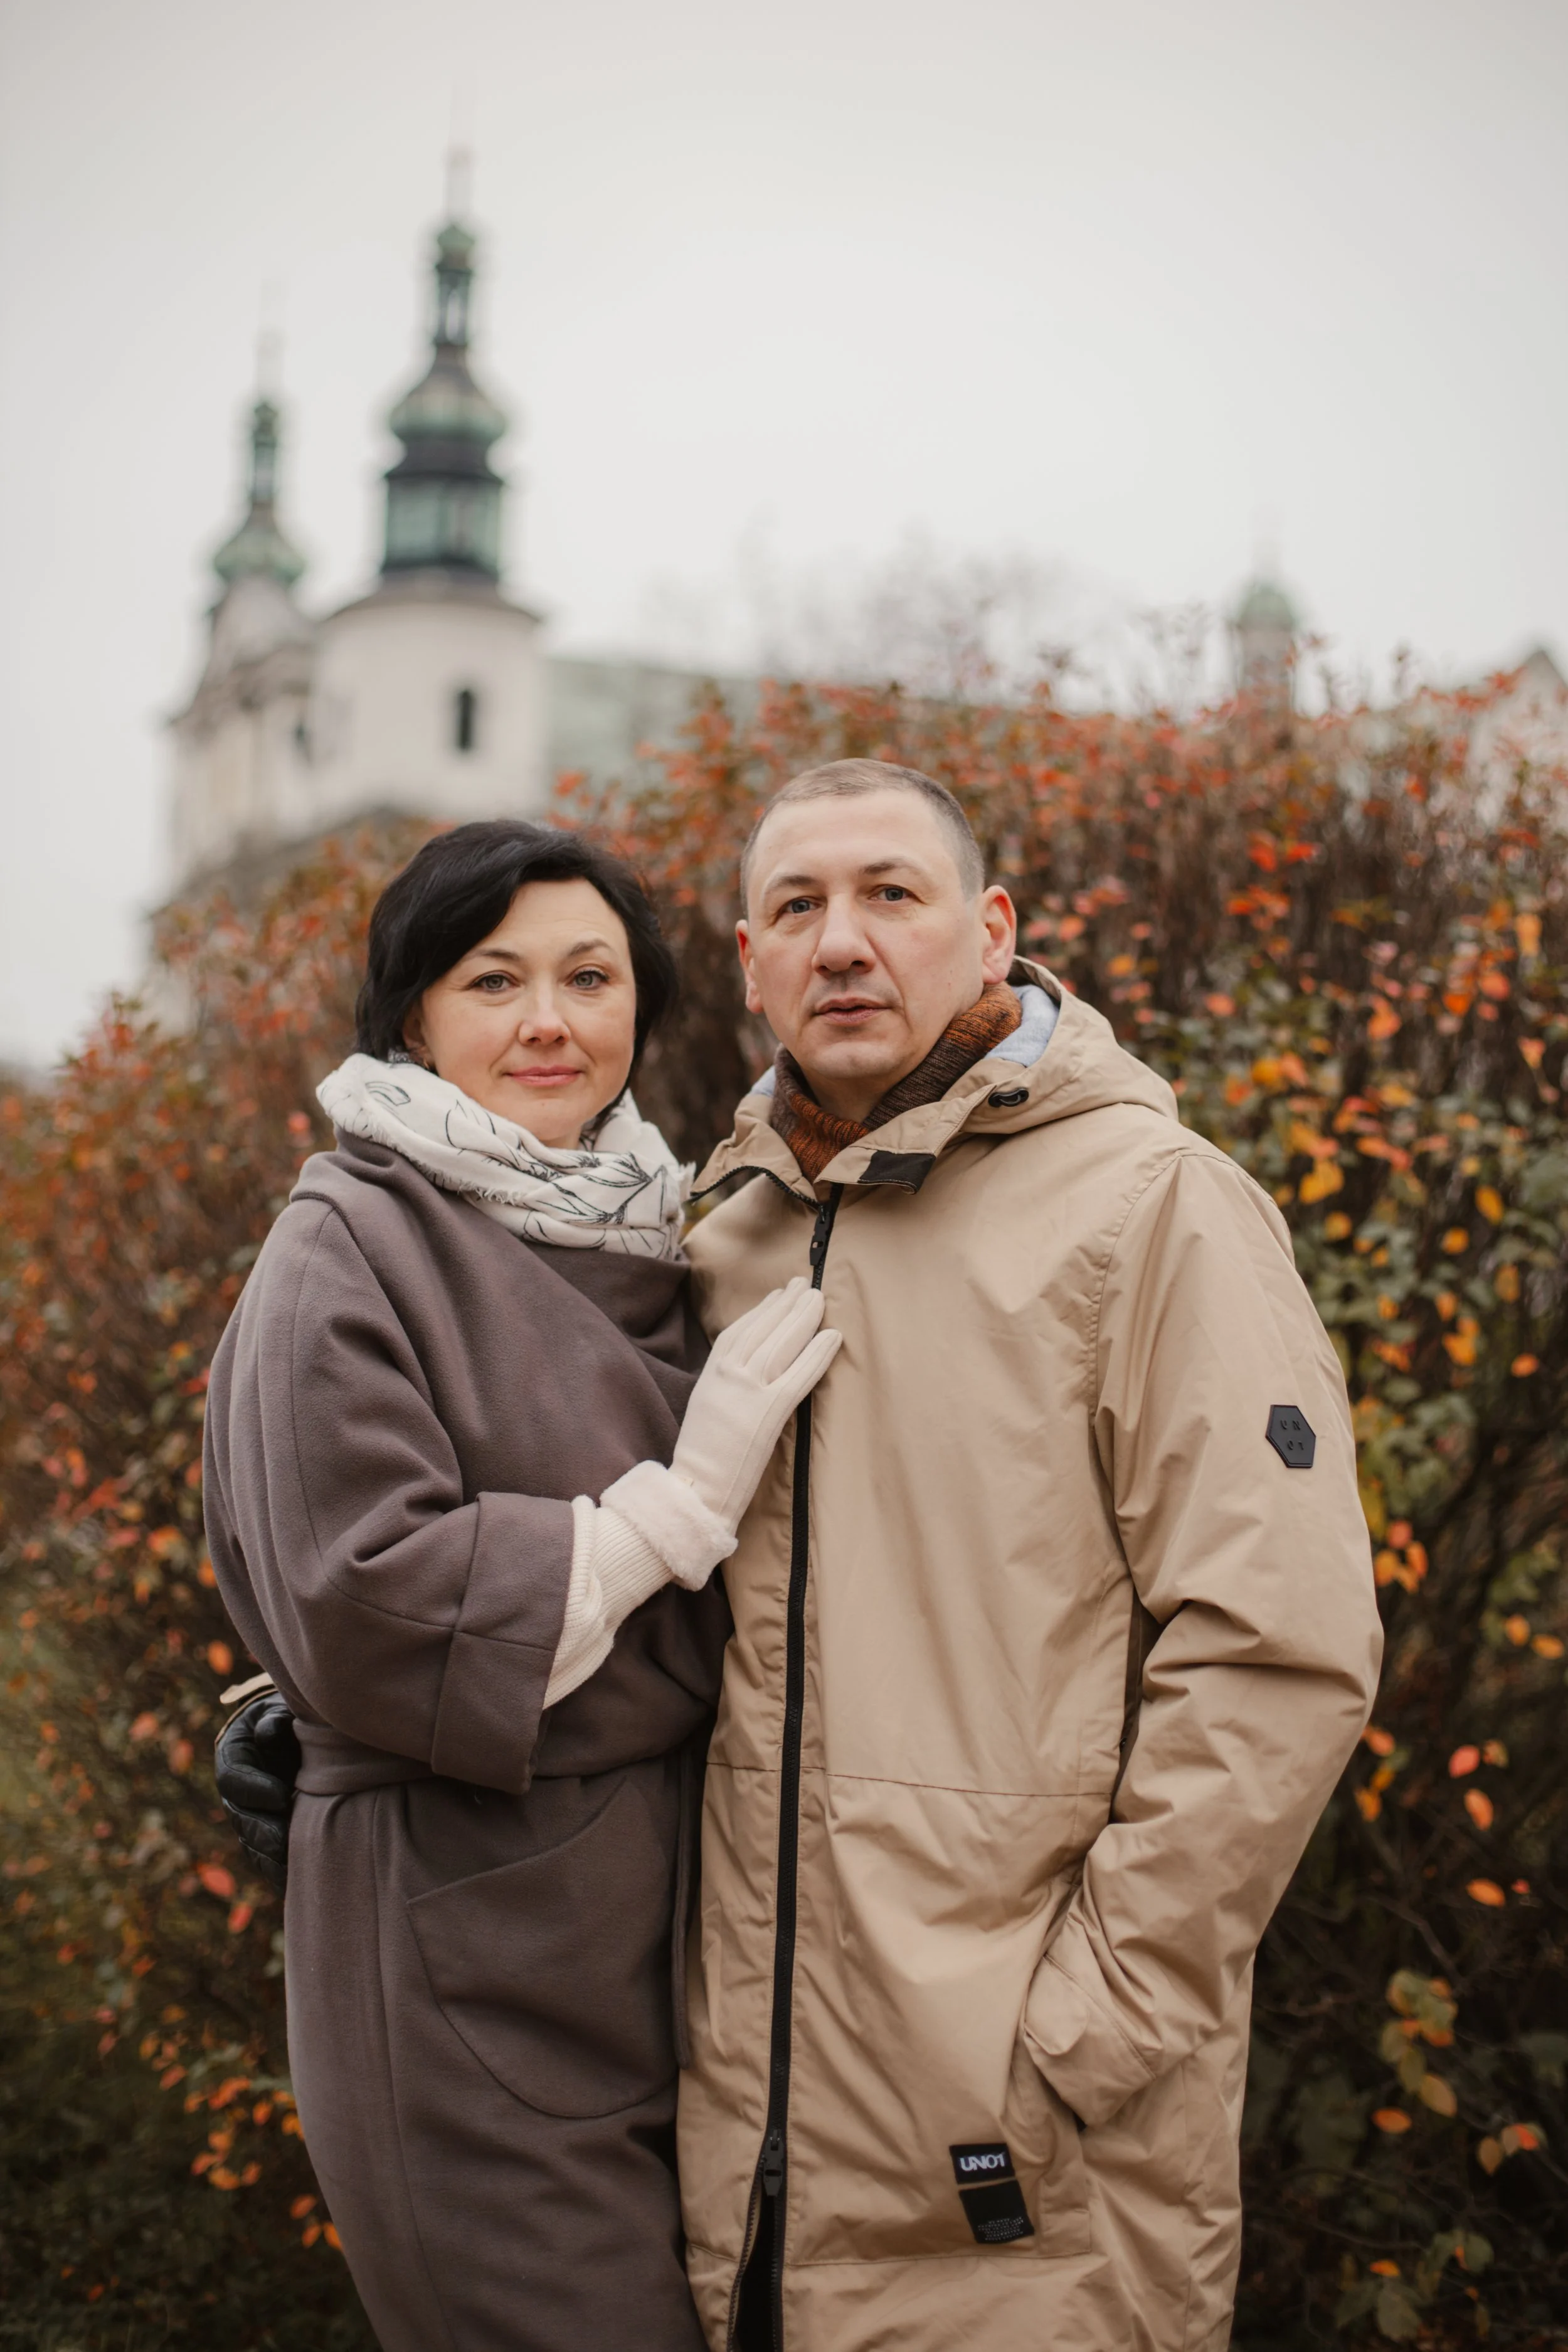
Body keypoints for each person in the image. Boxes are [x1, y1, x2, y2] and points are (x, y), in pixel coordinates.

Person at [675, 759, 1383, 2351]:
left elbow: (1278, 1657)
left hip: (1022, 2162)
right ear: (749, 961)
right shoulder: (720, 1232)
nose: (840, 942)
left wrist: (1083, 2031)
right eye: (797, 907)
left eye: (890, 895)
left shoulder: (1155, 1210)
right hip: (746, 2147)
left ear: (989, 933)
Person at [203, 819, 838, 2352]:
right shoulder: (346, 1244)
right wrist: (676, 1505)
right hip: (458, 1954)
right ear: (411, 1014)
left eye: (589, 976)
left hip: (670, 1944)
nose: (548, 1020)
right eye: (493, 980)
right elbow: (364, 1601)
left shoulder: (655, 1226)